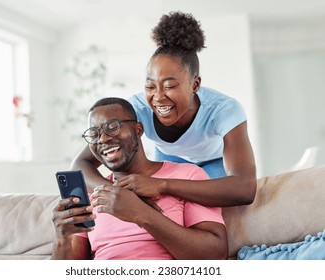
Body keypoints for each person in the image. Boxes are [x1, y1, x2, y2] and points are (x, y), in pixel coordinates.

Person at [71, 11, 256, 208]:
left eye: (169, 86)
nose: (158, 97)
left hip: (214, 160)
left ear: (195, 85)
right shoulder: (135, 108)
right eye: (150, 86)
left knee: (216, 207)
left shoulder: (224, 110)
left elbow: (244, 188)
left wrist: (163, 184)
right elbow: (79, 166)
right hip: (169, 158)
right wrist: (117, 193)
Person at [51, 97, 228, 260]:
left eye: (112, 127)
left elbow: (215, 254)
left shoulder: (188, 176)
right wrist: (62, 239)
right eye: (94, 134)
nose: (103, 139)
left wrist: (142, 213)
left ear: (138, 130)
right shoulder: (88, 194)